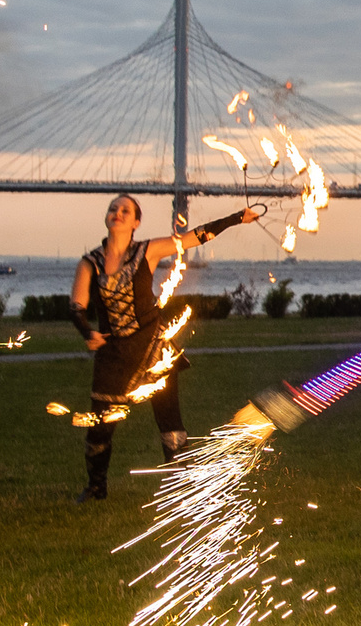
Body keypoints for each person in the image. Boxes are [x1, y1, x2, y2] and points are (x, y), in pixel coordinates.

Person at [68, 194, 259, 499]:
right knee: (100, 426)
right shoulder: (90, 262)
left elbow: (196, 236)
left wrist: (238, 217)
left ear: (136, 222)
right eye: (113, 209)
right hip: (114, 354)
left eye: (125, 210)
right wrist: (87, 332)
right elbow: (77, 306)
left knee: (170, 423)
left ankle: (181, 487)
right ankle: (96, 486)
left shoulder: (148, 251)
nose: (118, 213)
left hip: (154, 348)